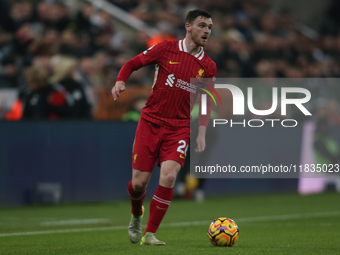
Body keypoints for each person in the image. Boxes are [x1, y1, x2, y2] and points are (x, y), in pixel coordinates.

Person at [111, 9, 216, 245]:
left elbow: (207, 101)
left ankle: (150, 234)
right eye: (202, 25)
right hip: (150, 121)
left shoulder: (208, 66)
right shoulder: (166, 48)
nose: (207, 31)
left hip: (179, 127)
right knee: (138, 184)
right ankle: (137, 213)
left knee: (169, 177)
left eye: (210, 27)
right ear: (188, 27)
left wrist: (201, 133)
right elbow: (132, 63)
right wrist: (120, 80)